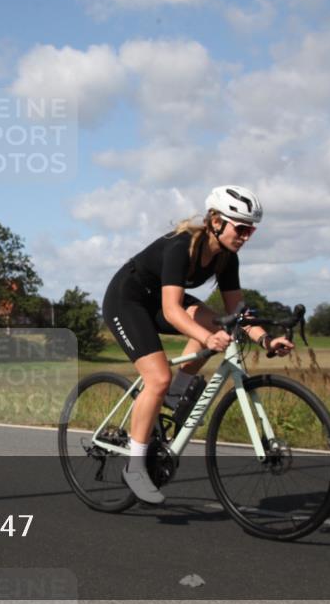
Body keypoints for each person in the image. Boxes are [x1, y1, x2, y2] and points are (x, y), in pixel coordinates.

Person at [101, 185, 295, 504]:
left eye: (252, 230)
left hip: (160, 302)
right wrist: (206, 339)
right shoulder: (182, 246)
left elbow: (237, 311)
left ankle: (176, 396)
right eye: (241, 228)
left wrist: (265, 339)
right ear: (216, 221)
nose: (246, 236)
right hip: (127, 300)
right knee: (158, 377)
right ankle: (135, 468)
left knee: (218, 322)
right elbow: (172, 310)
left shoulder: (227, 258)